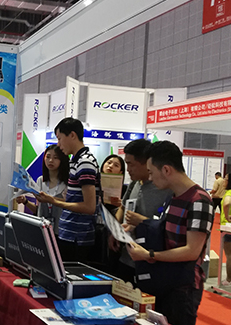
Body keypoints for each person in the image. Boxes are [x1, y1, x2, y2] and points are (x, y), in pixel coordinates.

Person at [126, 141, 214, 325]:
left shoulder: (199, 201)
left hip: (184, 288)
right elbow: (163, 232)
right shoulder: (173, 197)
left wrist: (149, 255)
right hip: (165, 282)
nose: (150, 178)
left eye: (152, 172)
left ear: (166, 170)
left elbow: (191, 251)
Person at [37, 117, 100, 263]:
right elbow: (73, 200)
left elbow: (89, 207)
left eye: (60, 139)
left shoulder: (85, 162)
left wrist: (54, 201)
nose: (59, 144)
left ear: (72, 135)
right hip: (69, 233)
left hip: (78, 237)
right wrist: (49, 199)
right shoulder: (76, 161)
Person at [110, 138, 173, 283]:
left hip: (148, 258)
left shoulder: (166, 189)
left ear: (146, 163)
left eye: (131, 164)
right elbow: (123, 207)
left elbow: (166, 227)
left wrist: (142, 222)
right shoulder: (134, 183)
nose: (128, 169)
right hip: (126, 255)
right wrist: (115, 231)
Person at [15, 144, 69, 235]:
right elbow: (38, 210)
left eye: (55, 157)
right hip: (43, 232)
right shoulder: (40, 180)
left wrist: (50, 199)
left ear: (62, 160)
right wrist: (25, 201)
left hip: (61, 232)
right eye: (48, 157)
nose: (51, 160)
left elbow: (70, 207)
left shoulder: (67, 183)